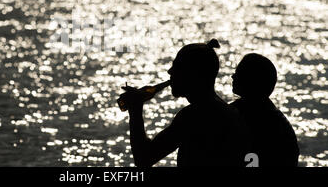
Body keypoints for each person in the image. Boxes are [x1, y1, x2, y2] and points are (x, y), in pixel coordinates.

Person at [121, 39, 250, 167]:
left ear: (193, 74)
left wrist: (136, 110)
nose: (170, 71)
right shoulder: (227, 111)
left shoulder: (194, 116)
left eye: (177, 67)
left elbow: (143, 158)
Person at [230, 53, 300, 166]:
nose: (233, 76)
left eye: (238, 73)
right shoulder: (277, 121)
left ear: (250, 81)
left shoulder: (236, 115)